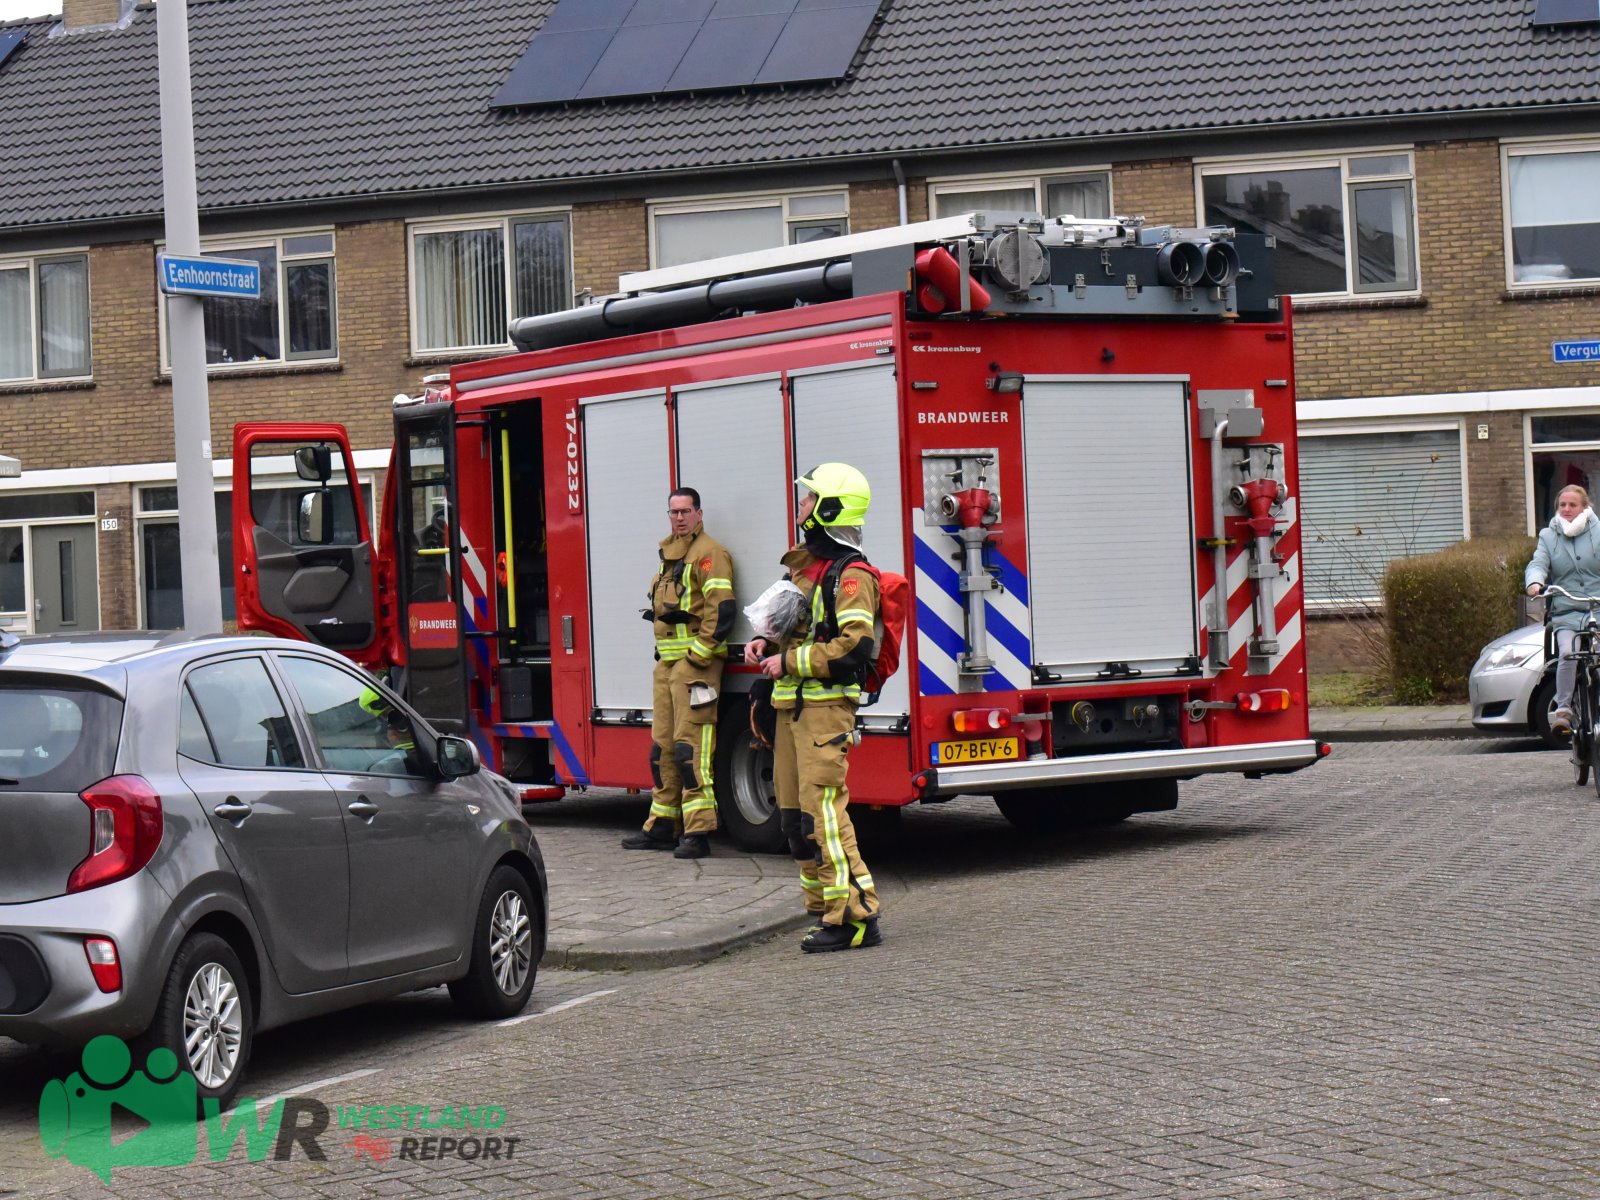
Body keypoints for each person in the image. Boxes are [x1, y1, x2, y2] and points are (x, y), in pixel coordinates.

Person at [744, 463, 883, 953]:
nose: (800, 508)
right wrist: (764, 642)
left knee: (824, 816)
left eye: (808, 501)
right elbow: (786, 624)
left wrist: (790, 661)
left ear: (827, 509)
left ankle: (856, 917)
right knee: (794, 820)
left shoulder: (852, 576)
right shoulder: (806, 567)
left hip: (825, 714)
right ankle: (825, 910)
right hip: (792, 710)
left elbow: (854, 649)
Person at [622, 487, 735, 859]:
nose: (680, 517)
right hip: (667, 666)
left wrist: (698, 656)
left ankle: (698, 833)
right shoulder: (669, 555)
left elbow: (722, 611)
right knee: (663, 750)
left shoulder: (709, 554)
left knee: (691, 751)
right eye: (674, 512)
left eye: (686, 511)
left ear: (699, 514)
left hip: (693, 667)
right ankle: (663, 826)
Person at [1525, 483, 1600, 736]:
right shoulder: (1549, 535)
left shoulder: (1598, 531)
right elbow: (1538, 562)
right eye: (1563, 505)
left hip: (1597, 608)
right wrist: (1535, 582)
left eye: (1573, 505)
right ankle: (1564, 710)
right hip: (1567, 611)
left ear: (1585, 507)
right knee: (1568, 653)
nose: (1567, 509)